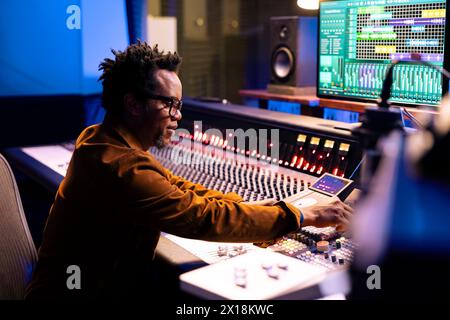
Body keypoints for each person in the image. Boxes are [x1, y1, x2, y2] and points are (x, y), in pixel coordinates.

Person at [26, 41, 353, 299]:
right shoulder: (119, 167)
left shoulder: (103, 140)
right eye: (170, 104)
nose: (178, 116)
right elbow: (202, 217)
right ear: (133, 104)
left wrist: (255, 208)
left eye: (179, 105)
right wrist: (297, 215)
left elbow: (183, 190)